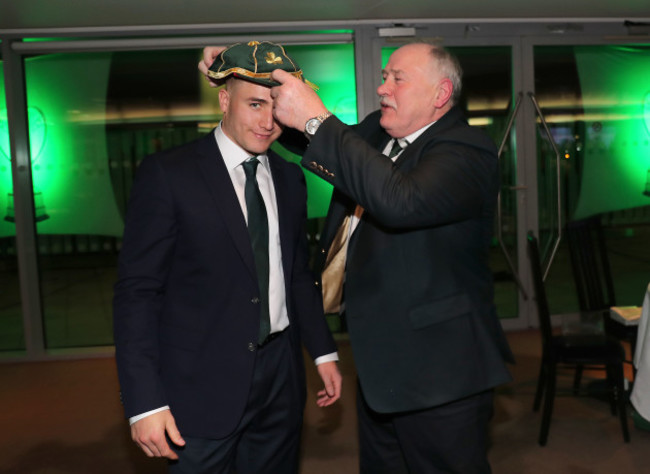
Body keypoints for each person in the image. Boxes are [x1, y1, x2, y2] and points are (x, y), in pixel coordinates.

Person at [201, 41, 513, 473]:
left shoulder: (467, 149)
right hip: (382, 366)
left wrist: (317, 118)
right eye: (384, 76)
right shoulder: (377, 131)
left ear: (440, 94)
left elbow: (400, 201)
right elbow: (306, 136)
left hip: (441, 373)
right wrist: (243, 73)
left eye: (397, 78)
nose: (383, 87)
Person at [114, 40, 341, 473]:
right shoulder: (168, 174)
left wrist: (323, 352)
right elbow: (137, 293)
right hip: (199, 383)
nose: (267, 121)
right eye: (254, 104)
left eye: (276, 107)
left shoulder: (291, 178)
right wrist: (143, 402)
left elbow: (294, 273)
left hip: (281, 377)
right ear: (223, 98)